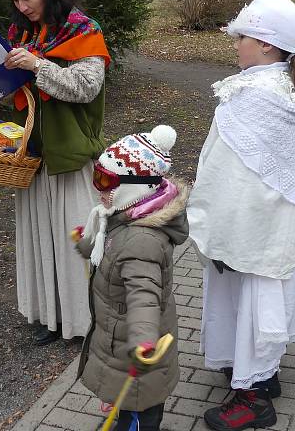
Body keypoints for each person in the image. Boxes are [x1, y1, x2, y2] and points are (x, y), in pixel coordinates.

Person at [187, 0, 295, 431]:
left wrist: (213, 221)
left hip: (251, 221)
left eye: (242, 36)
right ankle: (259, 372)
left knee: (254, 300)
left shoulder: (255, 94)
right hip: (268, 220)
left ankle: (255, 398)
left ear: (266, 44)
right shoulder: (279, 83)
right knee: (255, 298)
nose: (236, 43)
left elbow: (231, 171)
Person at [3, 0, 110, 346]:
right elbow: (24, 91)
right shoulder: (22, 32)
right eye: (15, 0)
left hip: (71, 154)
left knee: (72, 244)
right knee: (38, 239)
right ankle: (50, 317)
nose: (22, 7)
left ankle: (84, 322)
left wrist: (36, 64)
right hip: (33, 155)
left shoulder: (83, 30)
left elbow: (85, 88)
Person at [74, 125, 189, 431]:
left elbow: (144, 296)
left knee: (140, 412)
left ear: (134, 187)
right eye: (96, 176)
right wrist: (85, 243)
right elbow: (103, 244)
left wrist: (143, 341)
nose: (98, 188)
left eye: (105, 180)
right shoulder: (122, 215)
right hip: (118, 337)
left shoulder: (141, 241)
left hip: (135, 345)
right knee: (126, 408)